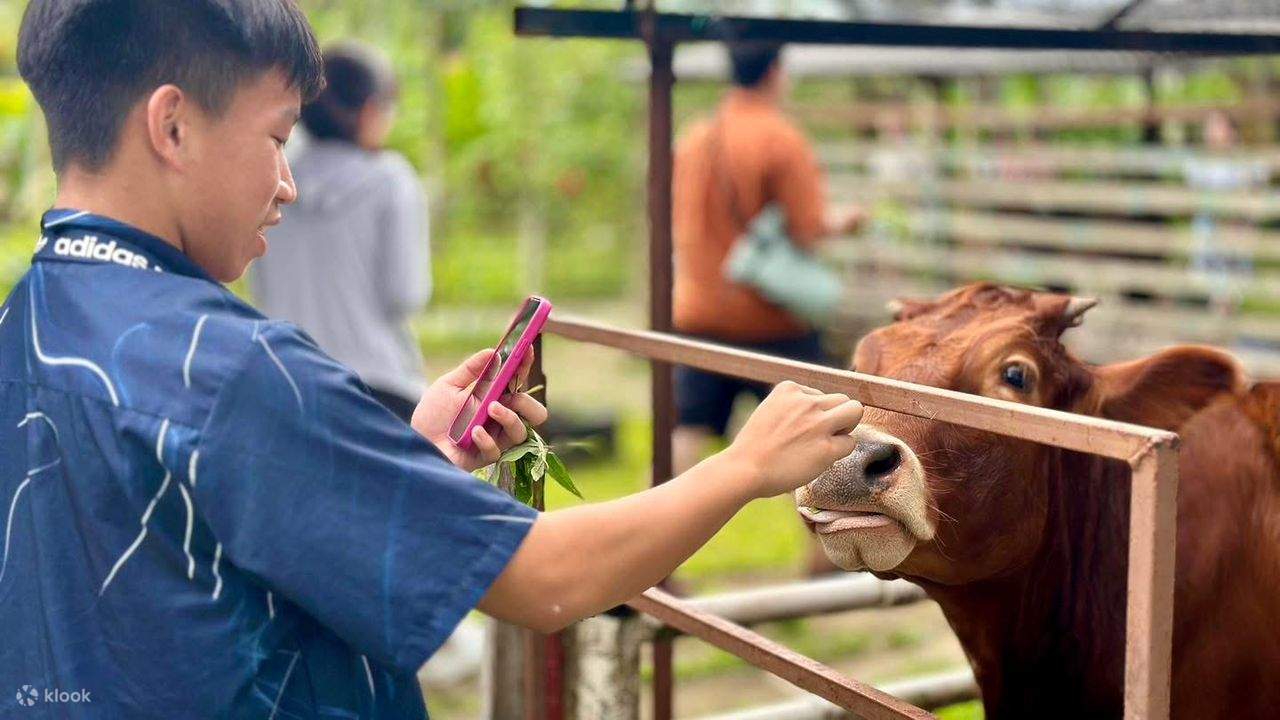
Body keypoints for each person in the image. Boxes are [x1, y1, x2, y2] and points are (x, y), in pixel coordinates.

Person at [1, 2, 865, 718]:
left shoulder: (26, 321)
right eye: (276, 137)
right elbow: (543, 580)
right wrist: (746, 466)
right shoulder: (232, 370)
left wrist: (410, 463)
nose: (287, 183)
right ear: (173, 125)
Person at [671, 41, 865, 474]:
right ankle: (819, 520)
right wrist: (845, 221)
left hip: (700, 311)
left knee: (687, 429)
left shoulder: (696, 137)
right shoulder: (780, 139)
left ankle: (658, 514)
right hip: (770, 317)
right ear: (775, 70)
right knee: (819, 431)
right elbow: (807, 229)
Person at [251, 41, 429, 423]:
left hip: (290, 384)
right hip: (381, 390)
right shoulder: (391, 180)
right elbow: (406, 294)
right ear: (370, 111)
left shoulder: (276, 176)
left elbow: (261, 286)